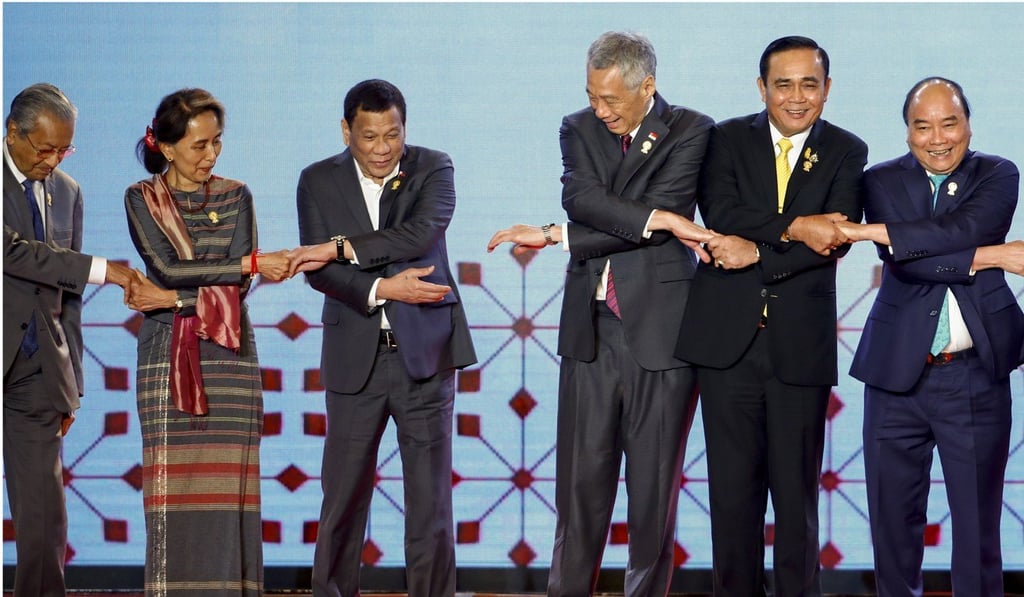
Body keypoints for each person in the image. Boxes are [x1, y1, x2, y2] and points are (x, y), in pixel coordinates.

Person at [487, 31, 715, 596]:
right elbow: (581, 199)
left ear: (648, 86)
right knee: (579, 490)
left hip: (662, 335)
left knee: (653, 496)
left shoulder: (691, 129)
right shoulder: (577, 127)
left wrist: (556, 236)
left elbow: (661, 209)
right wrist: (653, 219)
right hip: (589, 332)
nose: (600, 110)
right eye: (592, 96)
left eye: (611, 99)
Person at [674, 36, 867, 596]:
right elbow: (723, 211)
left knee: (796, 499)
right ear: (762, 88)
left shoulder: (847, 150)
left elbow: (834, 240)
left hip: (799, 345)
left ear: (827, 89)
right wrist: (797, 226)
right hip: (725, 344)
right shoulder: (727, 138)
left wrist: (756, 252)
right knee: (732, 498)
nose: (797, 97)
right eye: (784, 85)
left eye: (810, 84)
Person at [836, 77, 1024, 597]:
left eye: (949, 124)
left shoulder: (998, 173)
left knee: (978, 527)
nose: (937, 138)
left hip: (974, 376)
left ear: (968, 126)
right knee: (892, 527)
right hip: (894, 375)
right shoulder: (880, 180)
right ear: (907, 132)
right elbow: (906, 263)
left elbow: (960, 232)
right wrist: (992, 255)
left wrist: (879, 233)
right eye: (923, 127)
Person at [291, 79, 477, 597]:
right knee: (343, 499)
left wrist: (339, 247)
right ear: (346, 131)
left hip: (425, 358)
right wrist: (381, 288)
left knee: (430, 505)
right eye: (369, 137)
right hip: (356, 359)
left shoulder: (434, 167)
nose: (381, 149)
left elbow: (420, 234)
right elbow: (318, 272)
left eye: (392, 135)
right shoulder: (317, 180)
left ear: (404, 128)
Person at [123, 87, 292, 596]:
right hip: (166, 356)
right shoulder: (142, 198)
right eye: (199, 145)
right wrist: (244, 264)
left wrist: (172, 300)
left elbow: (234, 290)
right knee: (173, 489)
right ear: (167, 147)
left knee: (231, 490)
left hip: (230, 355)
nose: (211, 155)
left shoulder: (237, 194)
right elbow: (168, 268)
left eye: (217, 142)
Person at [3, 82, 142, 597]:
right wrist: (108, 270)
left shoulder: (68, 192)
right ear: (12, 133)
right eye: (45, 149)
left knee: (44, 515)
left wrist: (73, 382)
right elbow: (14, 253)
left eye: (64, 150)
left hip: (36, 373)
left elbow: (69, 298)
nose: (53, 161)